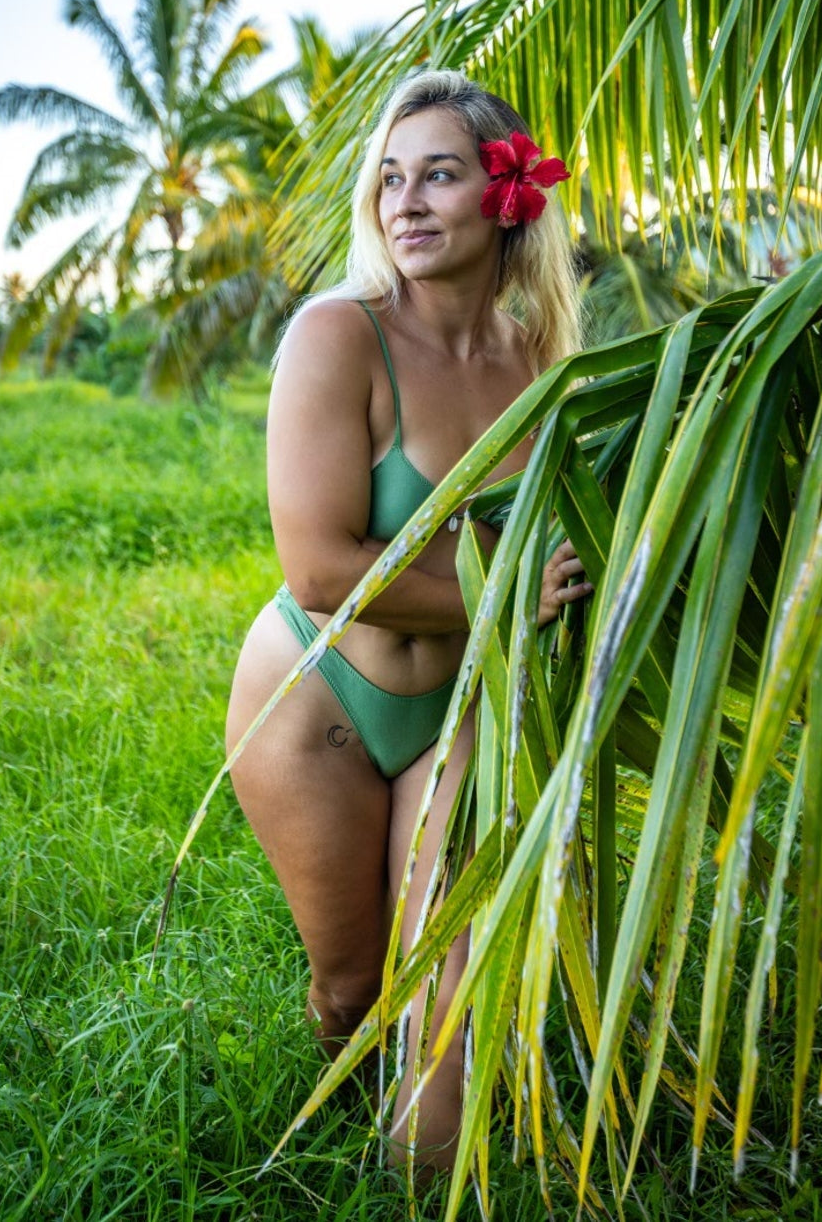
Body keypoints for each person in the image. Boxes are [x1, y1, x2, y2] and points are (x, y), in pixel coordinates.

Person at [225, 69, 590, 1175]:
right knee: (350, 992)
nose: (405, 202)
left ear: (507, 194)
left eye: (437, 174)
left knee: (441, 1018)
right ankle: (332, 1159)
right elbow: (321, 564)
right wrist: (499, 592)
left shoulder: (540, 361)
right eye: (389, 177)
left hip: (459, 707)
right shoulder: (340, 334)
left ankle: (413, 1180)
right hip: (319, 700)